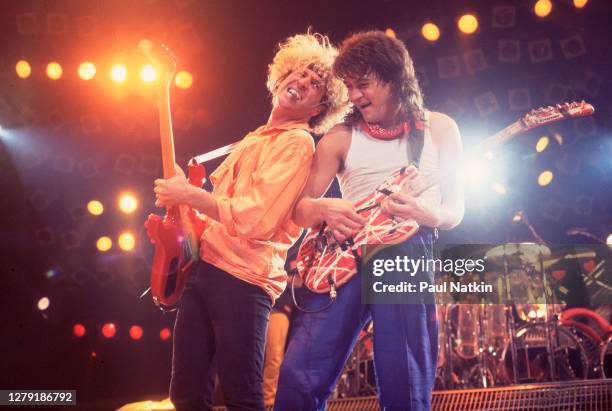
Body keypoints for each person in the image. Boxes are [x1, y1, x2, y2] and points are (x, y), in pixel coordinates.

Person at [153, 32, 349, 411]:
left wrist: (189, 196)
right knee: (186, 394)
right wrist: (183, 201)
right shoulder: (254, 139)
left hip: (243, 281)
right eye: (301, 73)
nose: (302, 83)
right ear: (282, 76)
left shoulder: (297, 144)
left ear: (318, 109)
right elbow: (218, 209)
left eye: (315, 85)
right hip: (206, 268)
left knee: (242, 395)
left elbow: (257, 218)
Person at [274, 31, 464, 410]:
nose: (355, 96)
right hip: (343, 258)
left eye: (364, 84)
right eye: (349, 86)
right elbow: (298, 209)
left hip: (406, 252)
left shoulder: (440, 128)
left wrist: (429, 214)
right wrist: (326, 210)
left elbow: (456, 209)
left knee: (403, 380)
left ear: (394, 78)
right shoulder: (339, 137)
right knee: (299, 374)